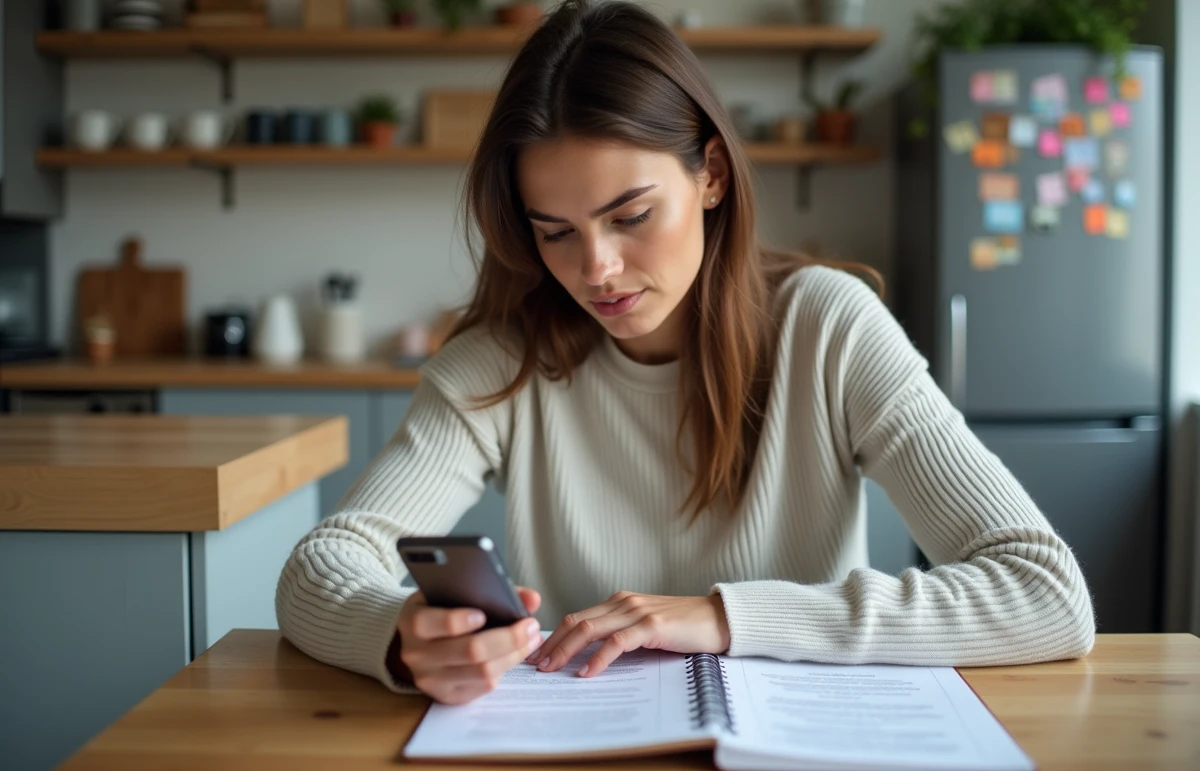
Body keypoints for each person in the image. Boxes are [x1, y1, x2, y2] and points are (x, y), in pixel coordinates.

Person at [275, 0, 1094, 706]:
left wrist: (723, 617)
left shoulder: (831, 329)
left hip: (804, 754)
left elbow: (1046, 593)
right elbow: (320, 568)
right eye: (555, 232)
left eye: (629, 216)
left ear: (710, 174)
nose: (594, 270)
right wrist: (400, 638)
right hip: (586, 749)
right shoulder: (499, 364)